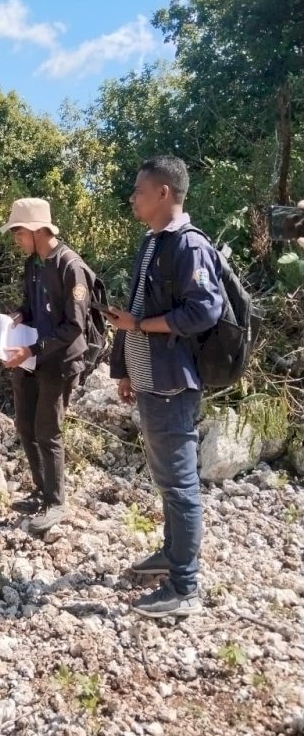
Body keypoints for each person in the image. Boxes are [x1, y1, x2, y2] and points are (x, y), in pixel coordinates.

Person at [105, 156, 222, 618]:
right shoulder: (153, 242)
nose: (132, 197)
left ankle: (184, 587)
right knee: (166, 479)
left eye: (138, 190)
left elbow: (204, 310)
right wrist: (128, 368)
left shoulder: (189, 246)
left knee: (179, 484)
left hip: (174, 382)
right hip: (153, 378)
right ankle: (172, 556)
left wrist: (141, 326)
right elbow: (136, 311)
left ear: (164, 194)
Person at [0, 198, 92, 533]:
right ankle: (40, 492)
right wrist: (18, 316)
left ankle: (56, 502)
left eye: (19, 232)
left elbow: (74, 326)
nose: (16, 239)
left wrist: (32, 349)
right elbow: (30, 304)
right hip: (32, 356)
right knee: (24, 424)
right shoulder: (33, 264)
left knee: (48, 430)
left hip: (60, 359)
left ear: (37, 230)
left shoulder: (70, 266)